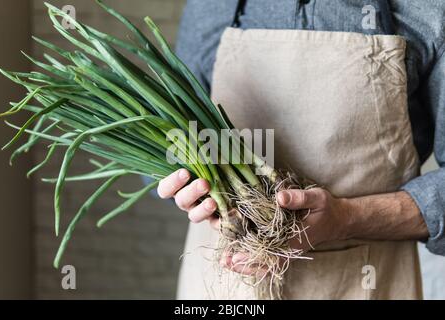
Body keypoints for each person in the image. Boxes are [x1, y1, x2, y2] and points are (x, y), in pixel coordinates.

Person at [158, 0, 445, 299]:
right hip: (225, 284)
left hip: (363, 282)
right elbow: (175, 138)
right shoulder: (211, 6)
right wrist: (189, 184)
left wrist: (346, 219)